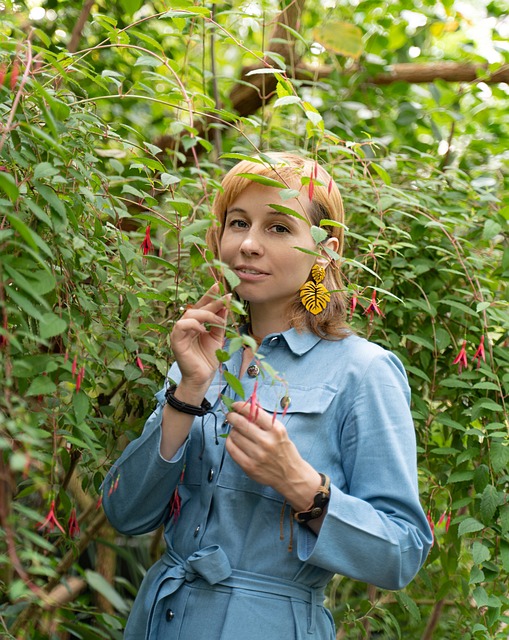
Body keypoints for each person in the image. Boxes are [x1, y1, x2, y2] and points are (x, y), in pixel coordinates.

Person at [102, 152, 432, 639]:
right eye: (238, 223)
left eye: (279, 228)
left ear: (326, 251)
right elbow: (126, 513)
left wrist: (302, 485)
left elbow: (401, 552)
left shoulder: (363, 372)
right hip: (160, 620)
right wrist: (189, 388)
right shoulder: (201, 357)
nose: (249, 244)